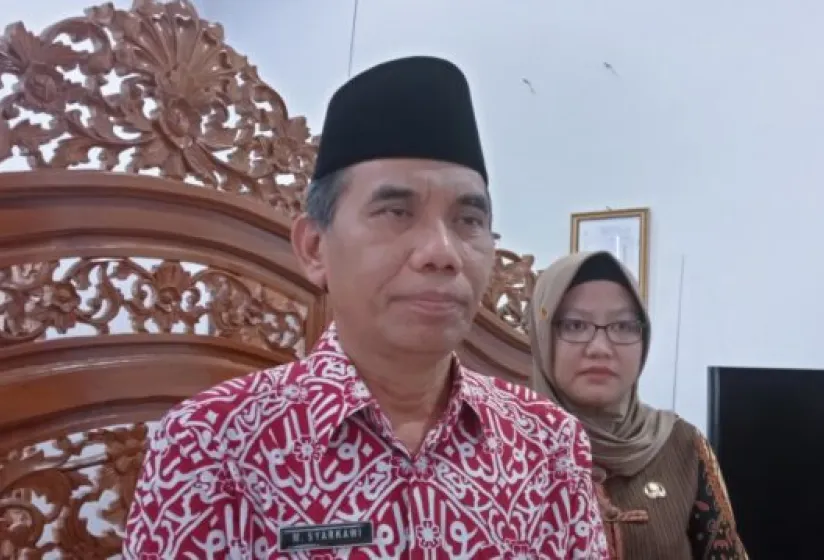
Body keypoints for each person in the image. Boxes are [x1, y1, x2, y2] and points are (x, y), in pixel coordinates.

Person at [123, 56, 608, 558]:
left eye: (468, 220)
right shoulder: (210, 445)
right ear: (314, 247)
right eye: (396, 212)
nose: (442, 252)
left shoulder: (547, 442)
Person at [527, 250, 747, 559]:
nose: (600, 348)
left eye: (623, 326)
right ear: (542, 336)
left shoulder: (682, 445)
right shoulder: (504, 448)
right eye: (575, 325)